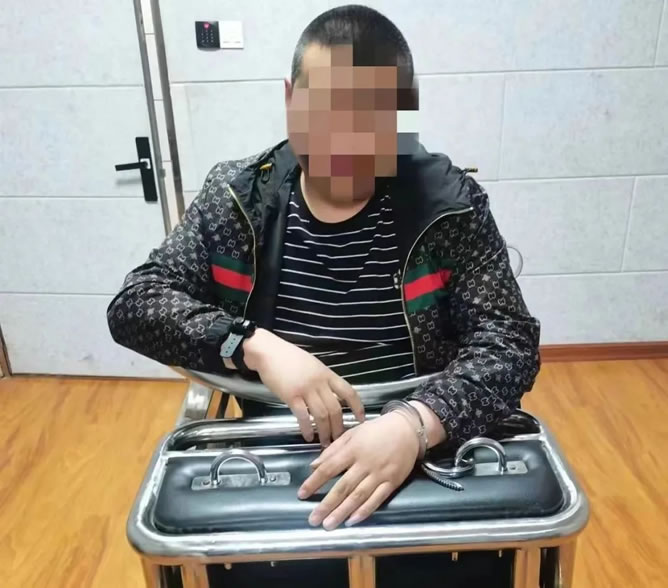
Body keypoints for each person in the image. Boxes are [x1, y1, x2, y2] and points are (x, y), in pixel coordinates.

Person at [107, 5, 539, 534]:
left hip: (420, 447)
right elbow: (135, 304)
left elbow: (510, 341)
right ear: (291, 99)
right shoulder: (237, 200)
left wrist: (415, 424)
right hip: (278, 450)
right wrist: (252, 345)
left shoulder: (448, 208)